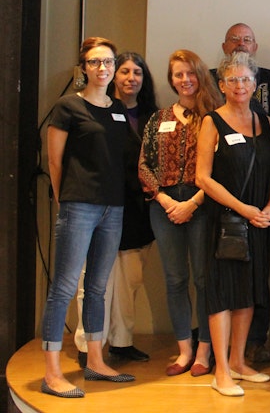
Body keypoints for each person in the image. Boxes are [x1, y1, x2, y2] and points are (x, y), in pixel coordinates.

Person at [42, 37, 134, 398]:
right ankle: (52, 372)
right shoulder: (67, 107)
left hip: (114, 207)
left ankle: (95, 361)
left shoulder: (118, 109)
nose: (103, 68)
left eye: (108, 62)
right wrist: (66, 198)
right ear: (84, 68)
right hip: (79, 205)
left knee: (97, 288)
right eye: (95, 62)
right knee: (63, 288)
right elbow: (54, 161)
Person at [196, 52, 270, 397]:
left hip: (259, 222)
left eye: (246, 79)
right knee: (222, 295)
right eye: (232, 80)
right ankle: (221, 371)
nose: (240, 86)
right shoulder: (211, 122)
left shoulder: (265, 121)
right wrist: (245, 209)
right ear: (222, 85)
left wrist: (268, 207)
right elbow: (203, 178)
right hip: (225, 222)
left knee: (248, 293)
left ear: (255, 83)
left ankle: (239, 362)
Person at [73, 52, 159, 367]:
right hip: (100, 204)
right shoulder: (99, 109)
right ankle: (88, 345)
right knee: (95, 280)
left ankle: (122, 343)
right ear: (113, 74)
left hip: (138, 210)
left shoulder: (154, 116)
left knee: (129, 281)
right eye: (124, 71)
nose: (130, 78)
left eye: (137, 72)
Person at [140, 49, 222, 377]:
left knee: (204, 280)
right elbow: (144, 164)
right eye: (178, 74)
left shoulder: (215, 117)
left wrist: (192, 203)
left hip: (201, 204)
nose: (185, 80)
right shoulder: (158, 119)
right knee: (175, 280)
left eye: (190, 73)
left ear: (200, 75)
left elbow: (221, 168)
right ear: (171, 79)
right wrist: (164, 200)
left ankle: (205, 351)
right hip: (164, 207)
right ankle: (184, 349)